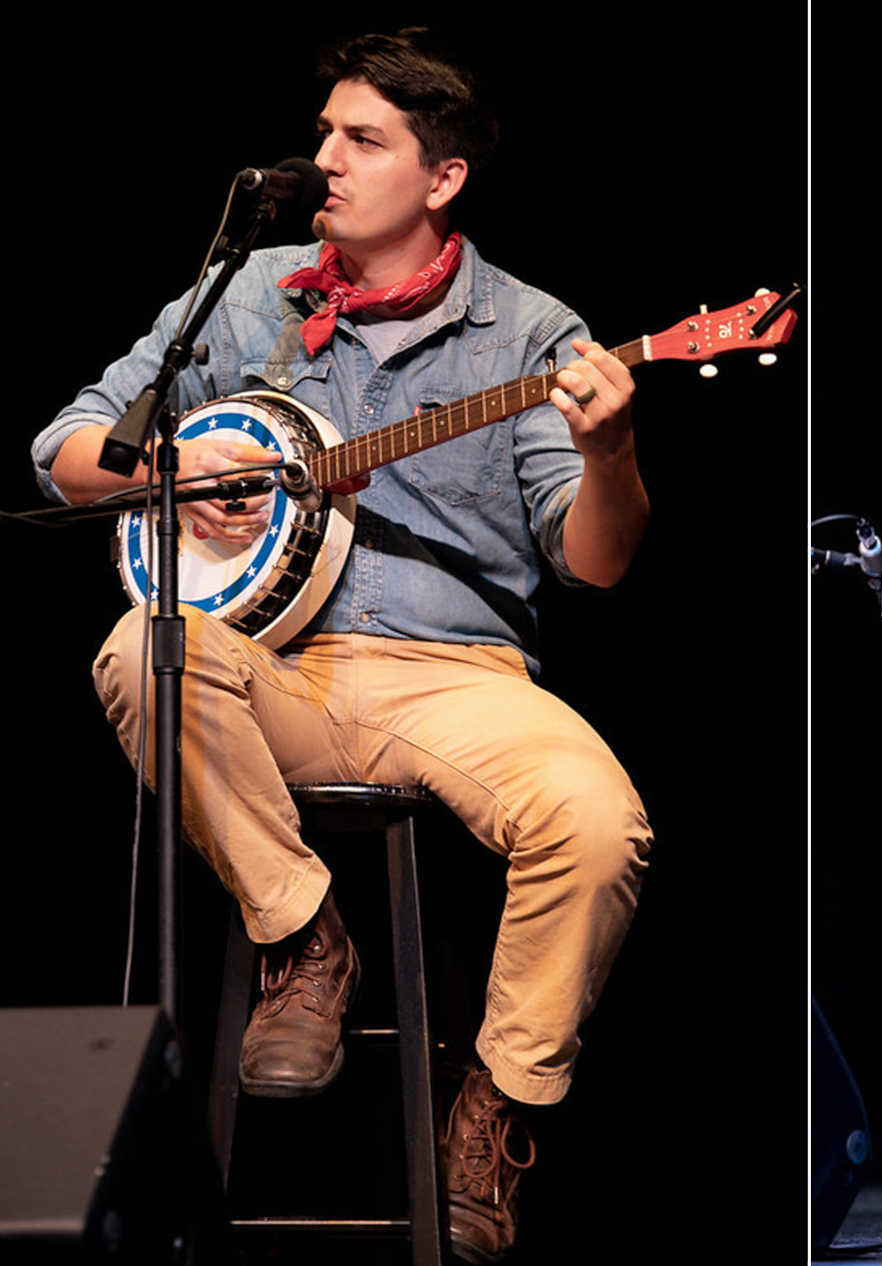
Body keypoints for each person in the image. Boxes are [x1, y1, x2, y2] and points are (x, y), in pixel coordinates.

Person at [31, 29, 653, 1262]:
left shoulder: (531, 331)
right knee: (139, 646)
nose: (325, 160)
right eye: (324, 133)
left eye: (361, 141)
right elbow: (62, 450)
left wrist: (612, 450)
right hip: (266, 665)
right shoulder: (247, 293)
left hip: (452, 675)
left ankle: (496, 1109)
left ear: (442, 179)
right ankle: (305, 938)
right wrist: (171, 465)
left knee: (597, 824)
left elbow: (596, 563)